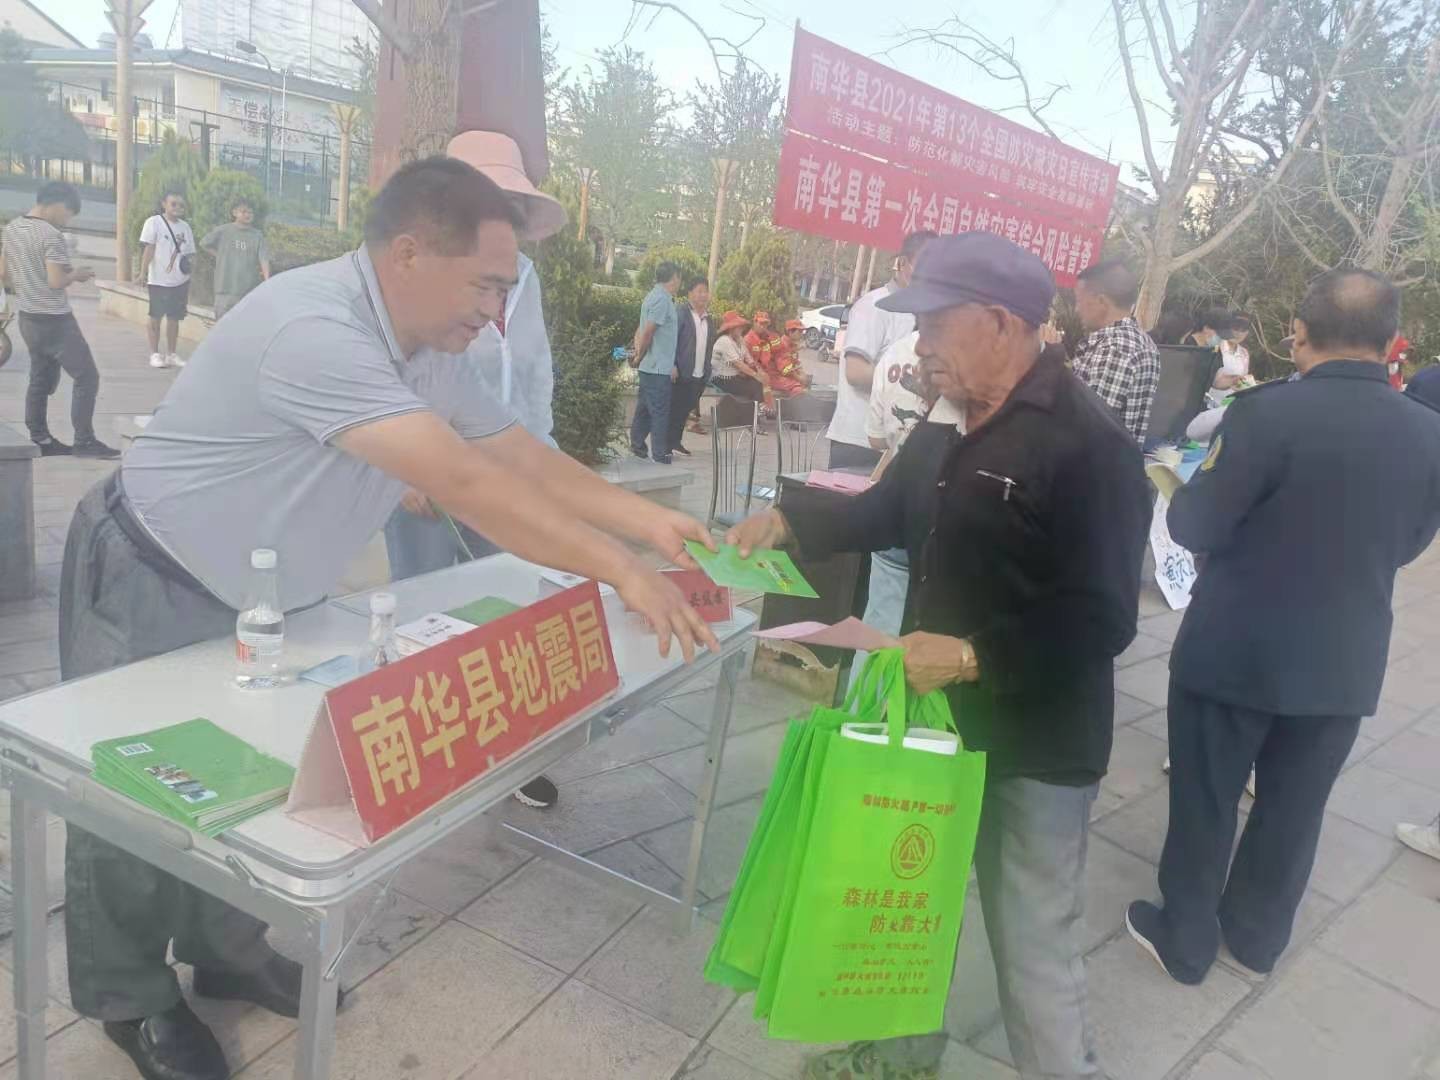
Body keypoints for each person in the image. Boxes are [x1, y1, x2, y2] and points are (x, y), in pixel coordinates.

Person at [59, 157, 720, 1080]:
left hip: (269, 595)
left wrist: (648, 524)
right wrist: (621, 570)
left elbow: (518, 453)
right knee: (132, 791)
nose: (495, 311)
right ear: (408, 254)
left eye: (506, 289)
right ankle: (130, 996)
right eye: (486, 285)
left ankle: (226, 948)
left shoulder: (428, 352)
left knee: (245, 775)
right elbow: (467, 483)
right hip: (154, 568)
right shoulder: (316, 329)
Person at [731, 233, 1150, 1080]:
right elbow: (887, 510)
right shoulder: (950, 414)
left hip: (1036, 744)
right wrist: (791, 521)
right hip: (933, 724)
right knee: (910, 907)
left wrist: (969, 656)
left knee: (1031, 941)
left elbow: (1102, 617)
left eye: (933, 322)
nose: (917, 343)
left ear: (999, 322)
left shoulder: (1089, 445)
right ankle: (901, 1056)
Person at [1125, 269, 1440, 988]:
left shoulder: (1265, 414)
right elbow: (1408, 544)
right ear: (1392, 341)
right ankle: (1257, 937)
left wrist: (1184, 495)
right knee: (1295, 808)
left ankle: (1186, 938)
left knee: (1207, 797)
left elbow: (1199, 524)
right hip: (1343, 658)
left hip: (1235, 650)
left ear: (1299, 333)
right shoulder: (1430, 433)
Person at [381, 129, 571, 811]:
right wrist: (404, 473)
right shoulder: (416, 280)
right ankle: (421, 751)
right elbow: (388, 383)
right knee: (425, 608)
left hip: (505, 472)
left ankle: (502, 754)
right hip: (428, 476)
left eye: (512, 208)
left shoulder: (526, 283)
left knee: (506, 607)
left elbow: (536, 371)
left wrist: (542, 458)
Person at [0, 181, 118, 459]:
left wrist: (30, 282)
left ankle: (40, 438)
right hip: (55, 320)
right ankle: (84, 441)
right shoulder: (51, 235)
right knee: (87, 376)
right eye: (68, 213)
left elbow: (4, 273)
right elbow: (56, 281)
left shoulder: (13, 227)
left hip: (28, 317)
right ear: (57, 204)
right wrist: (75, 275)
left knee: (39, 379)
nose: (67, 220)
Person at [825, 230, 937, 469]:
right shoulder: (874, 306)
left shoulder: (926, 313)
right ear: (903, 263)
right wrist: (909, 382)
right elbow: (855, 372)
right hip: (859, 443)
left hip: (896, 445)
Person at [1069, 260, 1162, 445]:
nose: (1077, 309)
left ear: (1101, 301)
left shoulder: (1114, 348)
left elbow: (1086, 428)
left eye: (1079, 301)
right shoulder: (1143, 342)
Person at [629, 261, 682, 463]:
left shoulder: (653, 295)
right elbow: (648, 331)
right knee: (660, 411)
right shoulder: (662, 300)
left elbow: (640, 328)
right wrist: (639, 356)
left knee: (644, 408)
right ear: (674, 278)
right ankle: (659, 454)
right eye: (679, 278)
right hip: (657, 367)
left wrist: (639, 356)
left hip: (650, 366)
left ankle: (637, 445)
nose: (679, 282)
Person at [139, 190, 197, 369]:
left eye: (181, 205)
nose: (177, 208)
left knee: (174, 318)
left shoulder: (185, 227)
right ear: (164, 204)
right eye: (173, 204)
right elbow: (149, 249)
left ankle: (171, 354)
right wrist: (143, 273)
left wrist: (191, 275)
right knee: (155, 317)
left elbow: (190, 254)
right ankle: (155, 354)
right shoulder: (154, 222)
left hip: (180, 281)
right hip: (159, 281)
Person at [668, 276, 716, 457]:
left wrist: (708, 370)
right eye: (699, 291)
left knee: (685, 410)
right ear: (689, 293)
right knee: (675, 409)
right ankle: (665, 444)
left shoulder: (709, 319)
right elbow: (671, 340)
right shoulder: (681, 313)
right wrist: (672, 364)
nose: (703, 295)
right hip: (681, 371)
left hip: (699, 373)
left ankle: (675, 442)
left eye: (706, 291)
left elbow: (709, 346)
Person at [199, 197, 270, 319]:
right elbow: (204, 243)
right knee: (222, 325)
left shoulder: (257, 236)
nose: (248, 215)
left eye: (250, 212)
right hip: (224, 289)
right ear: (234, 213)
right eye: (244, 211)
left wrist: (267, 280)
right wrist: (219, 255)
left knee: (243, 325)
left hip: (247, 291)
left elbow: (263, 259)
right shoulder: (223, 230)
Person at [710, 310, 769, 404]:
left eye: (742, 326)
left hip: (734, 376)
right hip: (721, 378)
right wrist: (756, 375)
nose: (742, 328)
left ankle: (755, 409)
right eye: (739, 326)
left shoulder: (740, 339)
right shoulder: (724, 341)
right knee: (755, 386)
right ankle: (756, 409)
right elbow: (739, 364)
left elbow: (749, 359)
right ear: (731, 328)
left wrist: (759, 372)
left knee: (758, 383)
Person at [1213, 316, 1252, 390]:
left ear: (1247, 333)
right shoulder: (1215, 347)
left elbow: (1243, 381)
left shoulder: (1244, 353)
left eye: (1243, 330)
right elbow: (1210, 379)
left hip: (1235, 397)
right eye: (1236, 328)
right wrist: (1232, 380)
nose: (1238, 334)